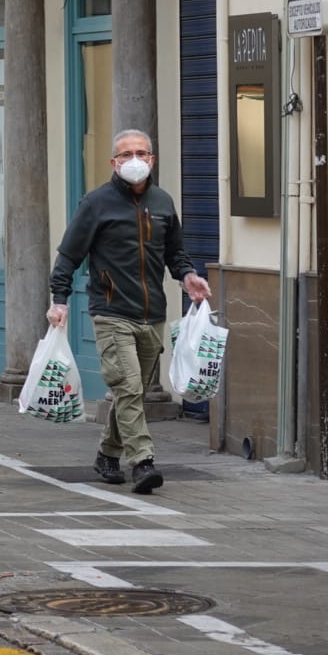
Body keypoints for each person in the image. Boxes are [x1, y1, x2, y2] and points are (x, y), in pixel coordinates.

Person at [48, 128, 210, 495]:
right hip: (111, 312)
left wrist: (187, 276)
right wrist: (59, 300)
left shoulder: (164, 203)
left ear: (152, 159)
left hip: (152, 315)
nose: (134, 160)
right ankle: (143, 462)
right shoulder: (96, 203)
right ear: (113, 162)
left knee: (129, 393)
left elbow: (175, 253)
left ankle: (107, 454)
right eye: (125, 154)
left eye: (141, 153)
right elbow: (69, 256)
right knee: (130, 386)